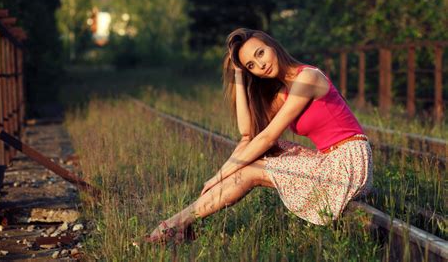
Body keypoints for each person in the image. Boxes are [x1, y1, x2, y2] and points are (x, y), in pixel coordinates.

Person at [145, 28, 373, 243]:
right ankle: (179, 225)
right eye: (251, 65)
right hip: (330, 160)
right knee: (253, 151)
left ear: (273, 45)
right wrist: (238, 76)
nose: (261, 65)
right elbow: (248, 134)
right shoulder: (285, 93)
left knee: (251, 169)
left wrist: (217, 177)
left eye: (260, 53)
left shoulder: (308, 78)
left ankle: (172, 226)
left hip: (348, 162)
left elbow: (267, 137)